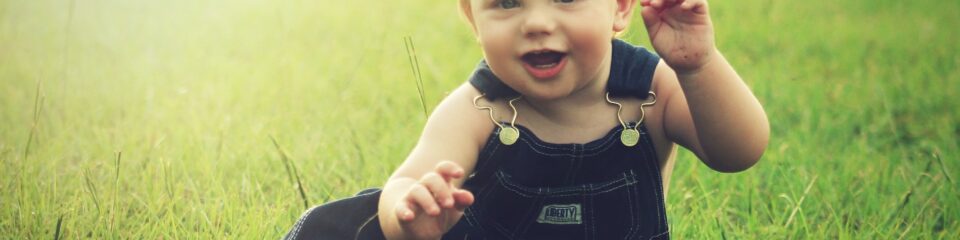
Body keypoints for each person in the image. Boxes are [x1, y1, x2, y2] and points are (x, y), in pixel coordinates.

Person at [284, 0, 769, 239]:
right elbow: (403, 182)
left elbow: (737, 152)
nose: (535, 21)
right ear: (473, 18)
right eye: (507, 1)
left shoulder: (652, 90)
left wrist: (698, 66)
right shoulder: (477, 109)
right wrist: (411, 212)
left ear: (620, 8)